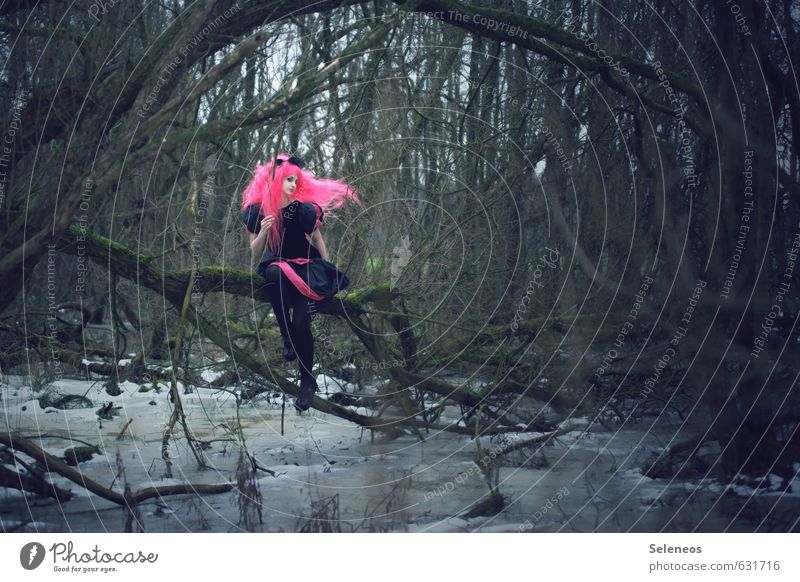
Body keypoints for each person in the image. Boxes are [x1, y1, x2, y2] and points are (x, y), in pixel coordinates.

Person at [240, 153, 361, 411]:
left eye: (296, 180)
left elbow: (317, 239)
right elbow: (255, 252)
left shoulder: (301, 209)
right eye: (288, 180)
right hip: (278, 268)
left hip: (306, 269)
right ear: (276, 181)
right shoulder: (259, 211)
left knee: (302, 322)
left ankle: (308, 380)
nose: (293, 185)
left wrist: (326, 268)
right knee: (274, 272)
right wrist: (263, 230)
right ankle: (286, 338)